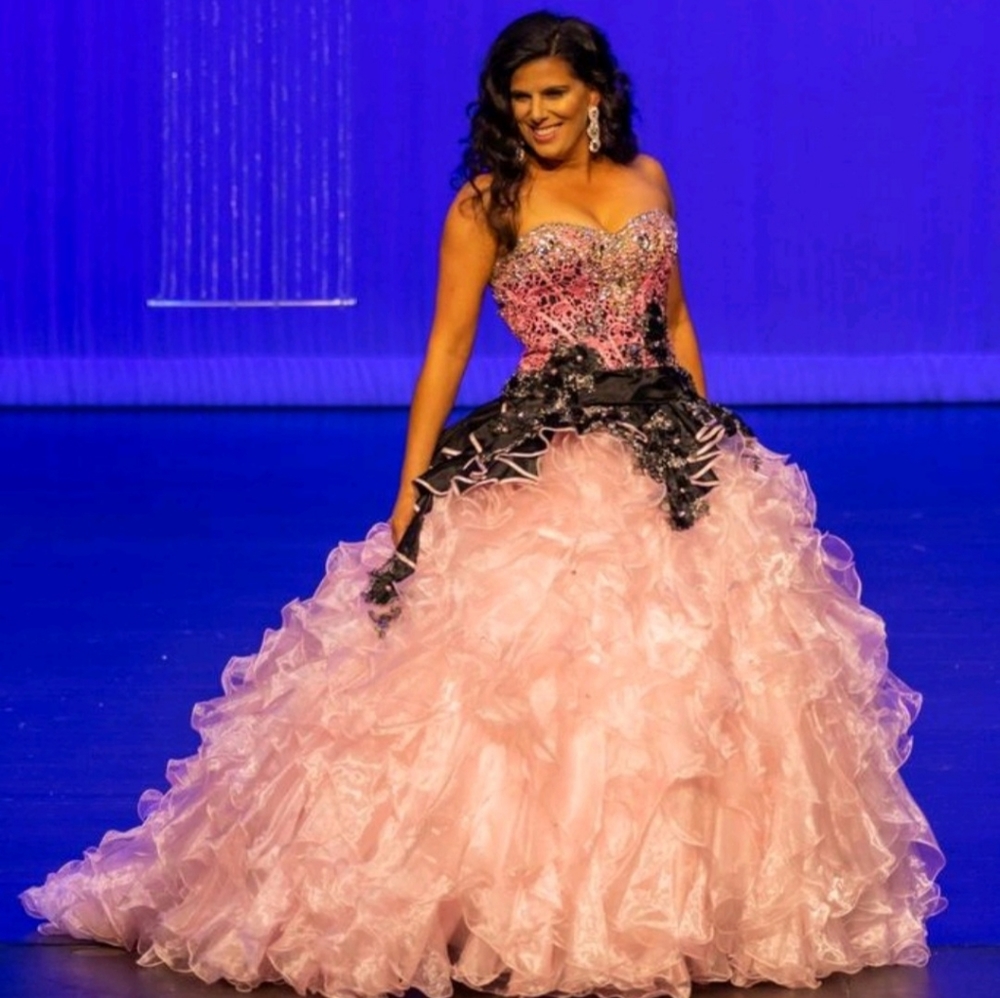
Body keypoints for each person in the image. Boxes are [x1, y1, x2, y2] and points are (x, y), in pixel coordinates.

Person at [22, 11, 944, 998]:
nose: (539, 112)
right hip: (546, 451)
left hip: (660, 444)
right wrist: (412, 488)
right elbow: (447, 350)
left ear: (596, 93)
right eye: (522, 97)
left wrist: (704, 436)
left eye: (555, 93)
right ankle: (520, 905)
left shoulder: (648, 180)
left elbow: (673, 317)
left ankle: (685, 905)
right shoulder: (486, 203)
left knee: (702, 687)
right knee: (524, 689)